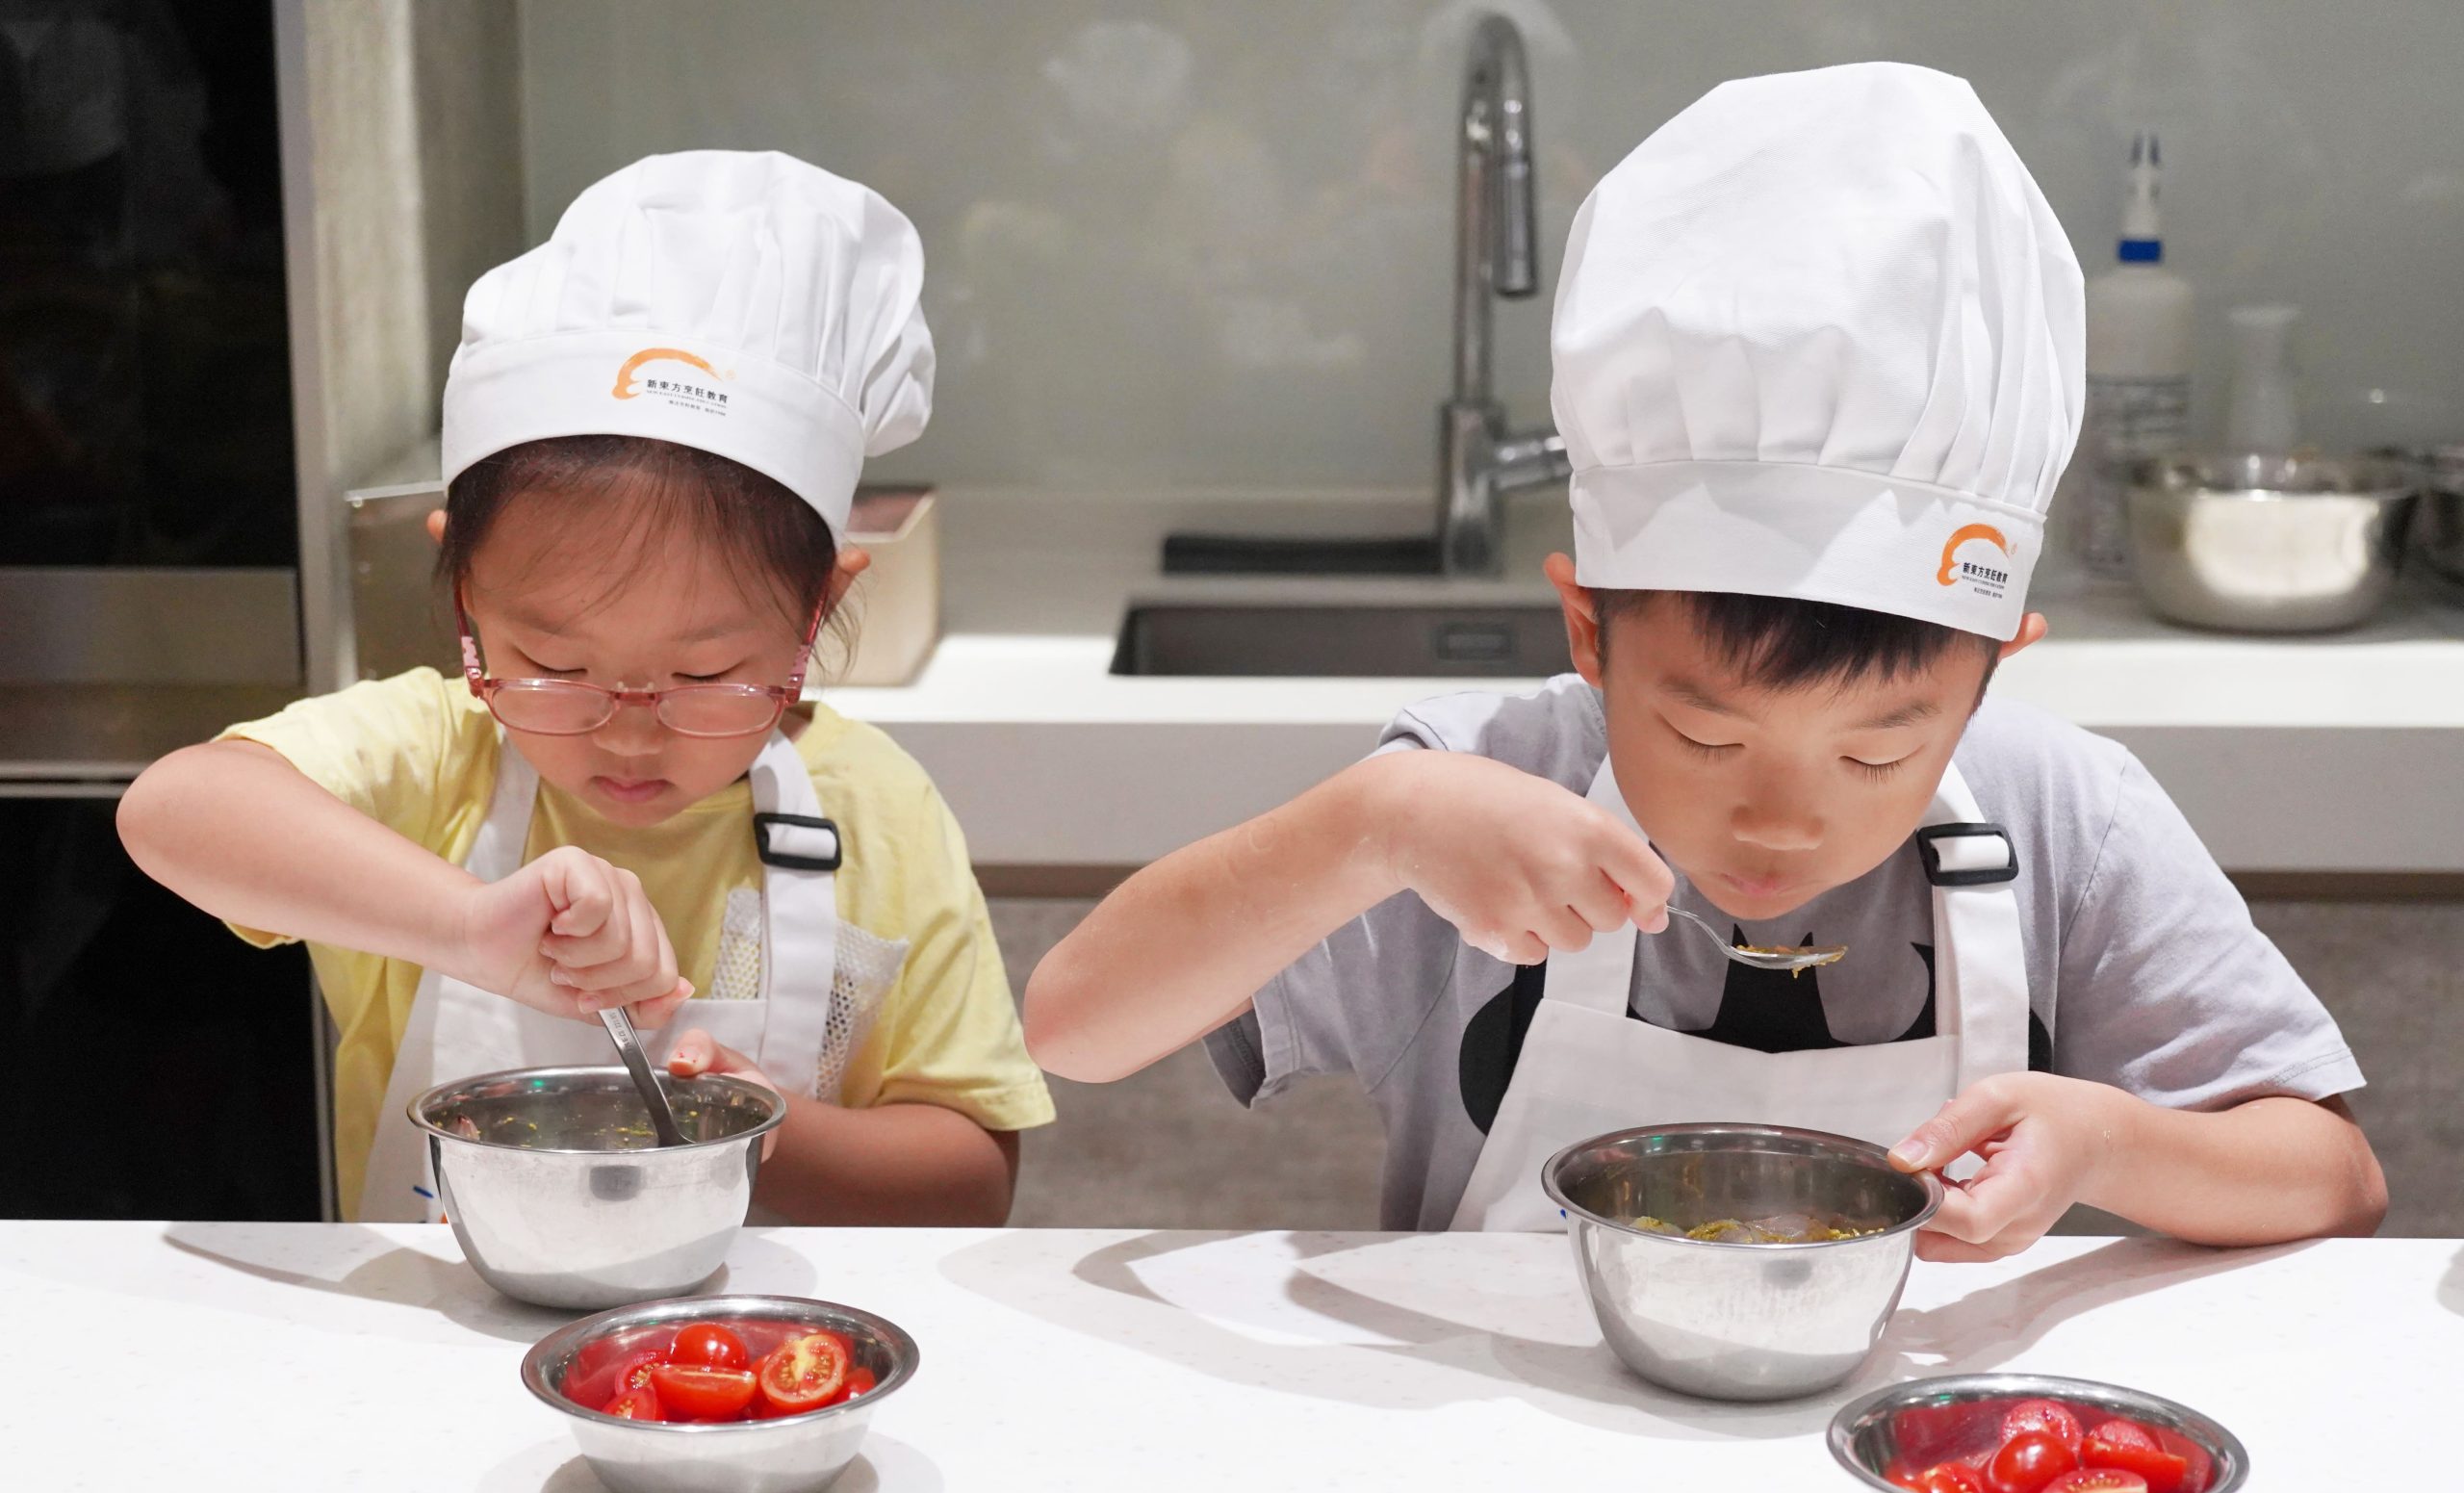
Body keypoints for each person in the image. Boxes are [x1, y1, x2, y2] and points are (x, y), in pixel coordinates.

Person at [1023, 64, 2386, 1255]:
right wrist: (1369, 824)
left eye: (1879, 751)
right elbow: (1074, 1026)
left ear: (1991, 671)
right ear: (1588, 633)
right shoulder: (1473, 801)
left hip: (1911, 1446)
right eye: (1706, 737)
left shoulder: (2064, 821)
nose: (1781, 819)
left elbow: (2334, 1180)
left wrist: (2108, 1144)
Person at [121, 151, 1051, 1223]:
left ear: (819, 606)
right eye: (557, 667)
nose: (628, 735)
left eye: (705, 674)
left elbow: (971, 1186)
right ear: (465, 592)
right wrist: (468, 927)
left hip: (754, 1333)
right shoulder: (438, 758)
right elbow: (171, 811)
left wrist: (758, 1129)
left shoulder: (874, 810)